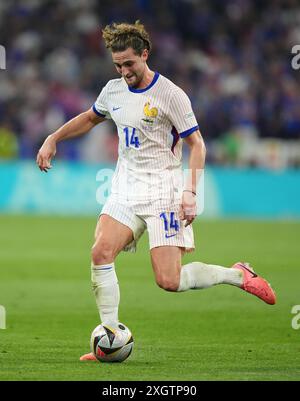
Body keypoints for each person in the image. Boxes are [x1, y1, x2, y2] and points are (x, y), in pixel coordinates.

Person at [36, 21, 276, 361]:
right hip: (124, 188)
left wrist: (191, 192)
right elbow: (91, 118)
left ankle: (237, 274)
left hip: (164, 191)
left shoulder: (171, 95)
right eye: (118, 65)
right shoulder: (113, 90)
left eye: (129, 64)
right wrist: (53, 138)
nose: (124, 71)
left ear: (145, 54)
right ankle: (110, 336)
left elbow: (198, 144)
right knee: (100, 253)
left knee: (169, 281)